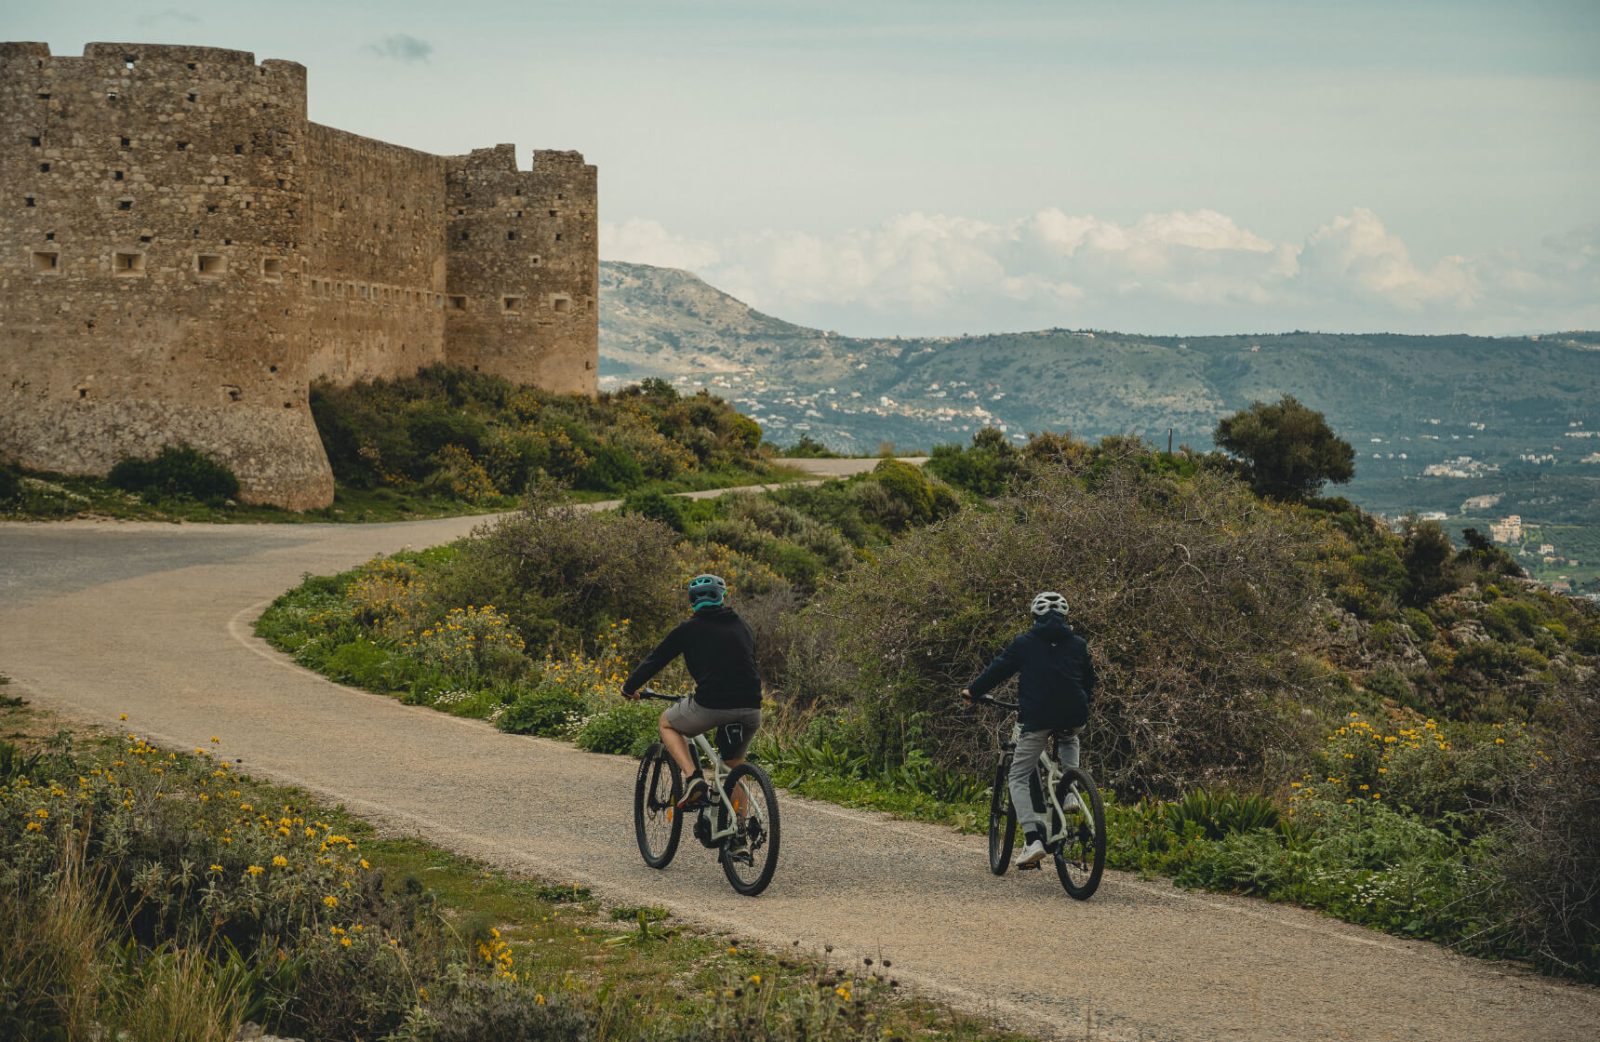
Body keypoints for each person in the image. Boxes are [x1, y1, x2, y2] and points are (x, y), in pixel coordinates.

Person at [962, 591, 1095, 869]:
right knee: (1070, 737)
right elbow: (1089, 681)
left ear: (1035, 616)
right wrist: (1081, 703)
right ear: (1065, 617)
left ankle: (1033, 840)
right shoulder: (1078, 644)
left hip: (1038, 716)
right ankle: (1071, 790)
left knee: (1018, 776)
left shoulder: (1025, 643)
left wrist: (973, 691)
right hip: (1075, 713)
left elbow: (999, 669)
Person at [623, 574, 762, 810]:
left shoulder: (688, 629)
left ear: (692, 601)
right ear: (722, 597)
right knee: (733, 765)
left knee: (667, 724)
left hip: (711, 705)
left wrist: (629, 687)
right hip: (752, 707)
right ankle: (740, 830)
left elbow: (655, 660)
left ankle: (693, 778)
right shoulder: (742, 626)